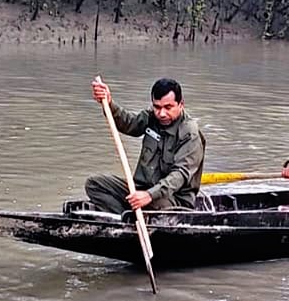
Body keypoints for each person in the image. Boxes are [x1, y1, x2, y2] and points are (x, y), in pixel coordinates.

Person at [85, 77, 206, 214]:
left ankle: (134, 214)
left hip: (170, 199)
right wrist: (109, 103)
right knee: (94, 184)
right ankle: (128, 217)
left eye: (168, 107)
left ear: (181, 104)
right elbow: (129, 123)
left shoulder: (190, 134)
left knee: (155, 202)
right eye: (157, 107)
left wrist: (150, 195)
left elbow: (180, 174)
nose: (162, 113)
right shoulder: (152, 117)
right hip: (140, 189)